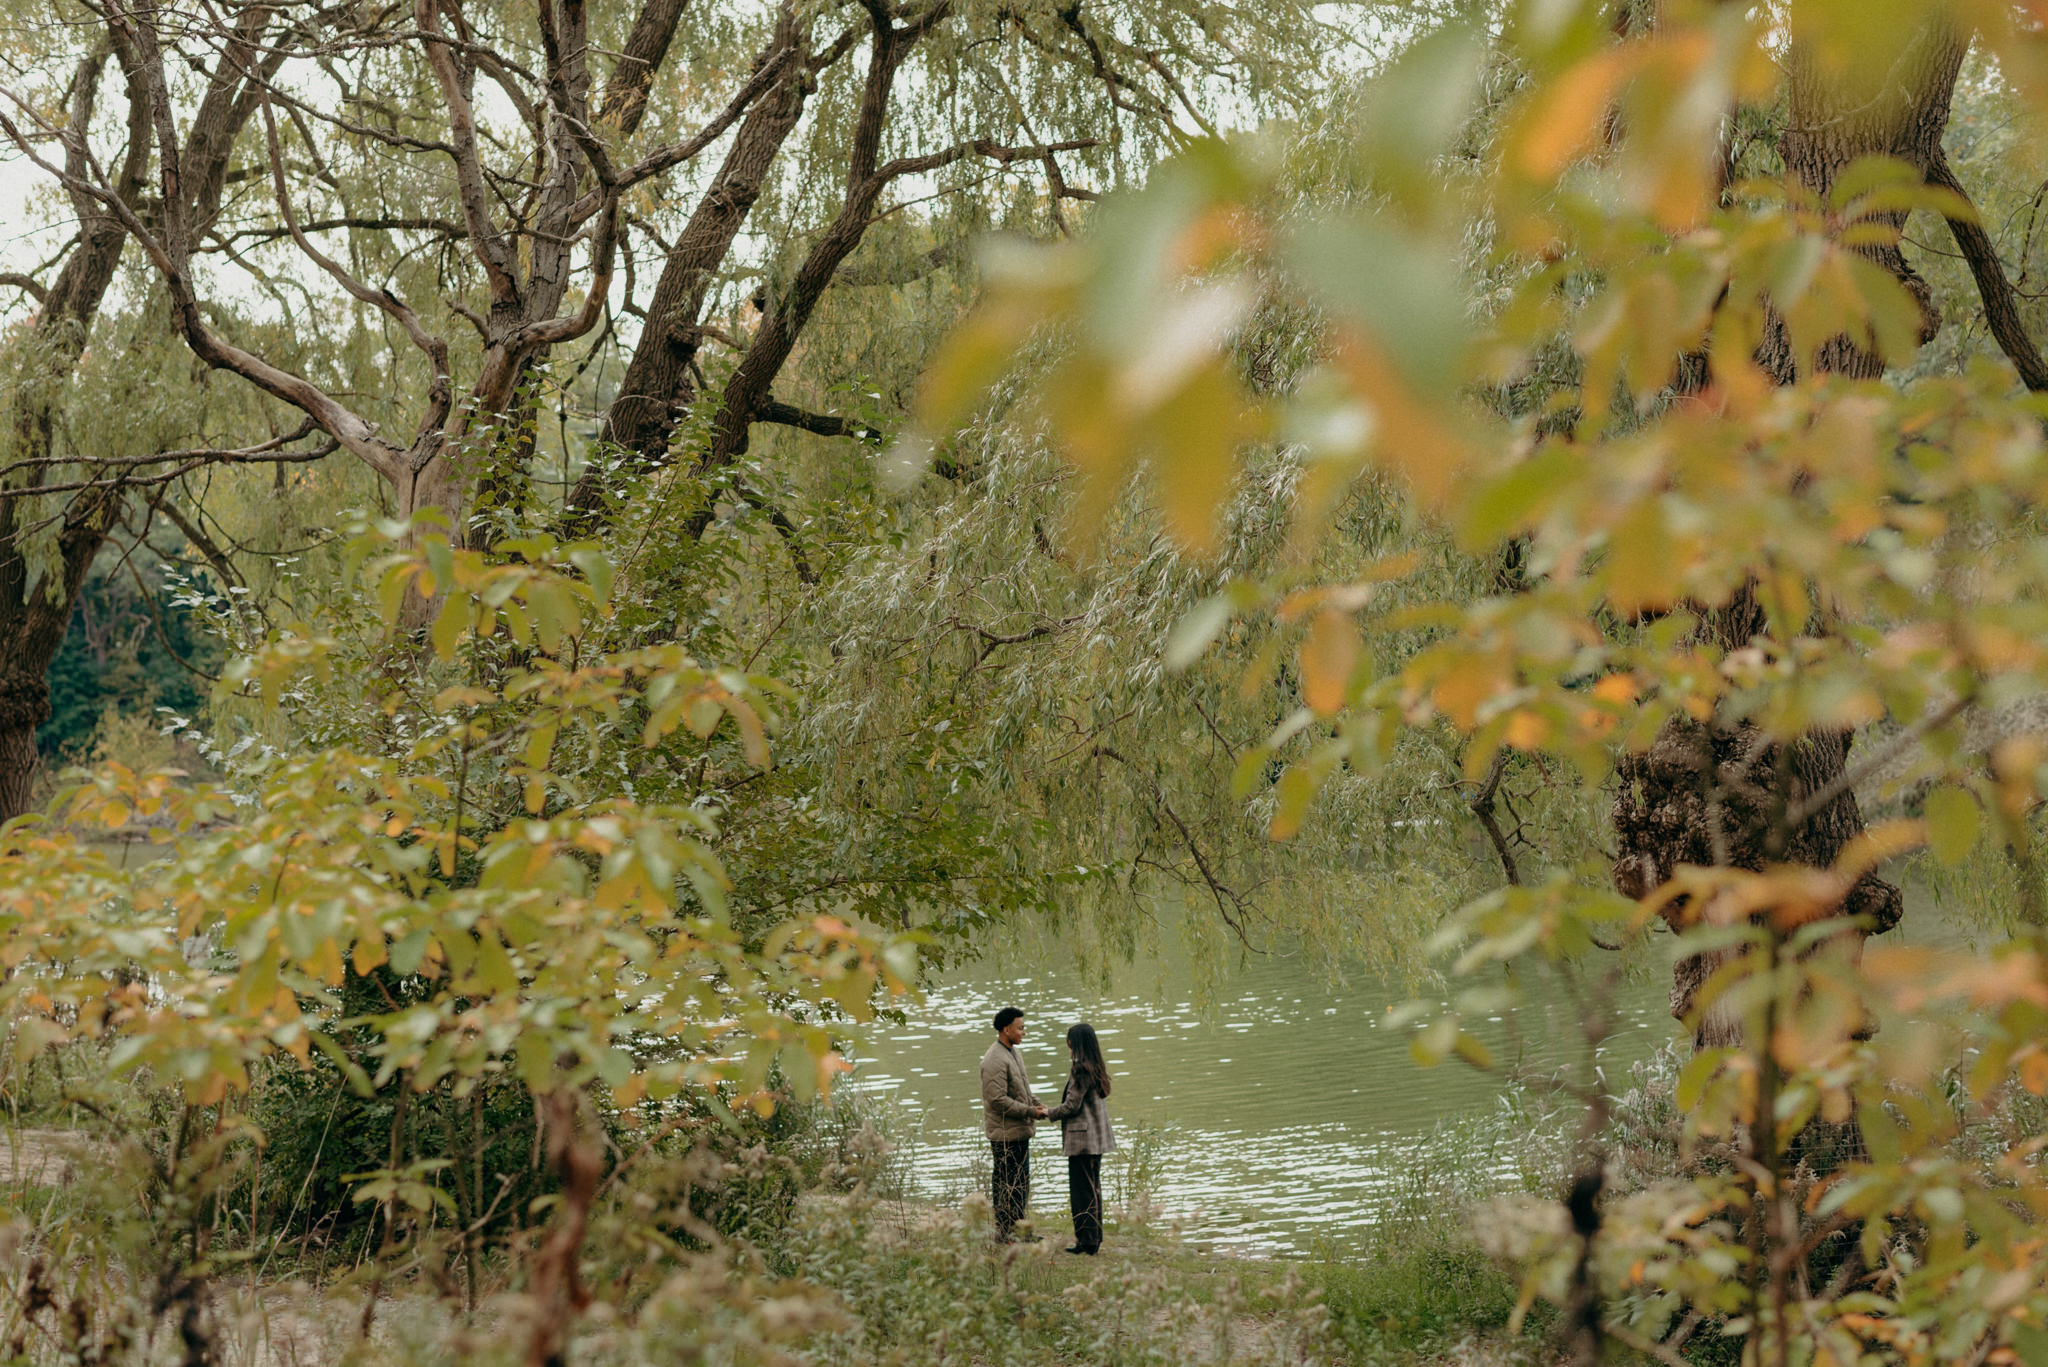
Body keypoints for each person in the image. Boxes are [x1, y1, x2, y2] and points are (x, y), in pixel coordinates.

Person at [1043, 1021, 1116, 1255]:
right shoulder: (1096, 1068)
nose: (1068, 1044)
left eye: (1069, 1040)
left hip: (1082, 1142)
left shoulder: (1080, 1070)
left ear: (1075, 1044)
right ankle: (1094, 1238)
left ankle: (1086, 1242)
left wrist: (1048, 1113)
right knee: (1093, 1189)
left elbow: (1071, 1106)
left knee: (1082, 1192)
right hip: (1096, 1141)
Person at [980, 1006, 1048, 1242]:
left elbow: (1022, 1091)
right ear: (1006, 1029)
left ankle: (1019, 1232)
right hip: (1005, 1135)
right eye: (1020, 1028)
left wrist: (1038, 1105)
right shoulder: (994, 1059)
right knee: (1007, 1185)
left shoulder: (1014, 1053)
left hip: (1019, 1132)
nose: (1024, 1032)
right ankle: (1006, 1233)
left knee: (1020, 1184)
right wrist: (1030, 1111)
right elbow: (997, 1100)